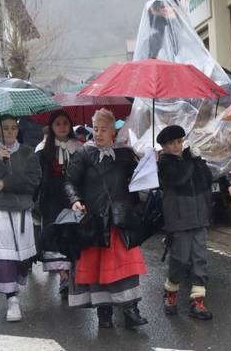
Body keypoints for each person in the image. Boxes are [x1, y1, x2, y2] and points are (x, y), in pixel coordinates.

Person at [64, 108, 148, 330]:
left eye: (104, 129)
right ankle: (104, 313)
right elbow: (70, 181)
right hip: (95, 221)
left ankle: (131, 310)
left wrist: (147, 160)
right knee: (97, 268)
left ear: (113, 132)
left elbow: (139, 177)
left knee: (125, 266)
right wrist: (75, 199)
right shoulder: (82, 153)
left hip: (121, 220)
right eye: (96, 129)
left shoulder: (124, 154)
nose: (98, 133)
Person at [0, 115, 42, 322]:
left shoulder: (28, 152)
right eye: (6, 128)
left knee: (22, 259)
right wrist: (0, 163)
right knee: (5, 256)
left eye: (14, 128)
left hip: (21, 211)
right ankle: (11, 298)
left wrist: (7, 184)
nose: (11, 132)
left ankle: (15, 286)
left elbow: (33, 180)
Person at [157, 125, 213, 320]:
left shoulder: (190, 160)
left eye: (180, 141)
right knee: (180, 260)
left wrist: (199, 160)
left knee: (200, 258)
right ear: (164, 146)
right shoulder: (164, 163)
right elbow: (179, 178)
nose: (177, 146)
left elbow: (207, 179)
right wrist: (190, 159)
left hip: (199, 217)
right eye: (172, 143)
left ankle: (197, 302)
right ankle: (171, 292)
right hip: (179, 219)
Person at [36, 110, 81, 297]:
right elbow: (37, 177)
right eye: (58, 124)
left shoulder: (79, 148)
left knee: (72, 236)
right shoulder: (43, 150)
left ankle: (73, 275)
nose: (62, 127)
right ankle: (63, 276)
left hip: (74, 199)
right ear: (52, 127)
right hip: (51, 198)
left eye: (65, 123)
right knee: (55, 236)